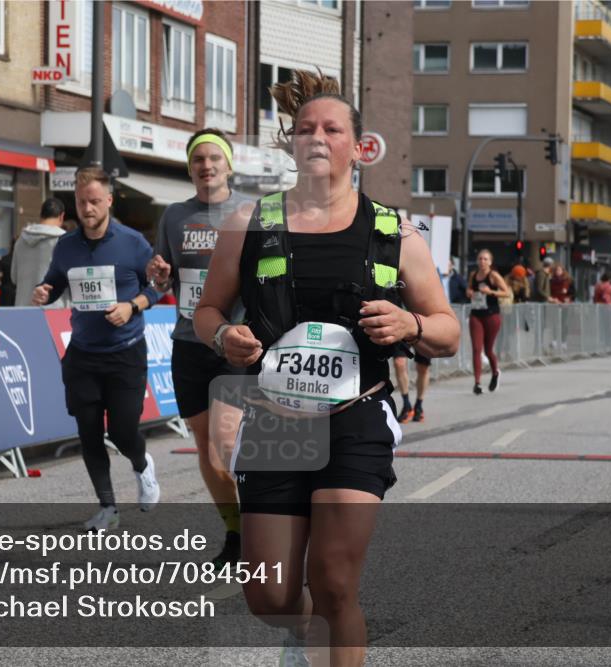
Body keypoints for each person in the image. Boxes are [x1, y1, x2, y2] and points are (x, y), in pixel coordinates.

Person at [193, 70, 459, 666]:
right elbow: (206, 311)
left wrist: (411, 326)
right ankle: (307, 630)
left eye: (333, 128)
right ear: (291, 142)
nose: (318, 137)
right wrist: (224, 337)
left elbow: (447, 329)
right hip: (275, 422)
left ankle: (335, 635)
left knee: (337, 583)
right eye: (306, 128)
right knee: (269, 597)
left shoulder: (396, 231)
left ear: (358, 147)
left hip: (355, 417)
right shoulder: (247, 223)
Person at [146, 128, 254, 569]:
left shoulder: (250, 213)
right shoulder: (174, 215)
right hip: (189, 343)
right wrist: (158, 276)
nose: (206, 166)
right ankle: (236, 534)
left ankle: (263, 524)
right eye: (198, 160)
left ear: (228, 164)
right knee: (206, 444)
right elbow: (164, 277)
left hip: (234, 342)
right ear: (190, 167)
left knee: (226, 443)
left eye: (214, 158)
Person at [32, 167, 161, 531]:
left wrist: (131, 306)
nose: (86, 208)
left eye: (93, 201)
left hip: (125, 353)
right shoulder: (66, 245)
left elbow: (155, 289)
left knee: (122, 431)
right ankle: (108, 507)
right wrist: (45, 292)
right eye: (80, 201)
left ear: (108, 200)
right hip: (83, 355)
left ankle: (141, 464)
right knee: (88, 433)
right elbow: (55, 282)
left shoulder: (133, 242)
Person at [466, 249, 511, 394]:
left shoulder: (493, 276)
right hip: (476, 314)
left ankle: (495, 373)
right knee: (476, 349)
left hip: (491, 315)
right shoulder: (473, 275)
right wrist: (469, 293)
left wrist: (491, 292)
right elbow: (469, 290)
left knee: (488, 350)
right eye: (480, 259)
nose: (482, 261)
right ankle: (477, 383)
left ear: (490, 262)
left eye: (485, 259)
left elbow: (506, 292)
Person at [12, 198, 69, 307]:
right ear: (62, 216)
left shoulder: (20, 241)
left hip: (23, 310)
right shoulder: (64, 241)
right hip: (54, 312)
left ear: (41, 215)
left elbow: (14, 277)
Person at [393, 351, 430, 423]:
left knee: (423, 367)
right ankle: (407, 405)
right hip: (402, 339)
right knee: (399, 363)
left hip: (423, 339)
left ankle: (418, 406)